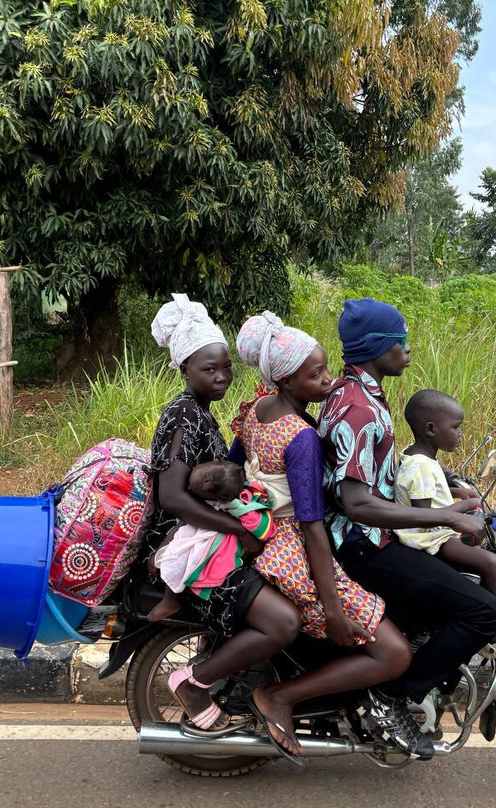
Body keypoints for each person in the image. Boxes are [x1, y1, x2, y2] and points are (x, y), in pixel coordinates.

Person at [317, 298, 496, 761]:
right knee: (481, 611)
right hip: (363, 547)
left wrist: (449, 489)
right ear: (377, 347)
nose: (407, 351)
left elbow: (379, 475)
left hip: (374, 538)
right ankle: (394, 696)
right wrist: (447, 516)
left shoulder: (361, 395)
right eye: (399, 342)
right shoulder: (359, 409)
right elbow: (356, 502)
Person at [230, 311, 412, 760]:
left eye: (328, 369)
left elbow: (236, 463)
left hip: (264, 536)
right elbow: (312, 525)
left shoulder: (256, 410)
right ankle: (280, 697)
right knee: (394, 654)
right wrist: (331, 609)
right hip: (292, 548)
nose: (330, 381)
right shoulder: (301, 437)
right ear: (286, 381)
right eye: (316, 375)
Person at [146, 294, 302, 750]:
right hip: (188, 542)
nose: (221, 377)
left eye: (226, 367)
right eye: (208, 369)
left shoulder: (203, 412)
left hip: (210, 533)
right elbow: (171, 496)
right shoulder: (182, 415)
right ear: (185, 370)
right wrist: (237, 529)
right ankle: (194, 684)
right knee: (283, 622)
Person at [395, 388, 496, 670]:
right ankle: (493, 634)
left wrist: (457, 493)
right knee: (492, 564)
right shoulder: (421, 467)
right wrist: (464, 508)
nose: (460, 433)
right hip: (429, 539)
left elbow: (428, 492)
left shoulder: (418, 457)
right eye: (456, 427)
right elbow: (423, 515)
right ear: (431, 429)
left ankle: (489, 613)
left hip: (433, 532)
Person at [149, 460, 276, 622]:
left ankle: (170, 600)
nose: (189, 491)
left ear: (209, 488)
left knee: (180, 557)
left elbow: (259, 526)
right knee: (176, 550)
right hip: (206, 524)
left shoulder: (237, 505)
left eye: (193, 490)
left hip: (216, 533)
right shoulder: (224, 482)